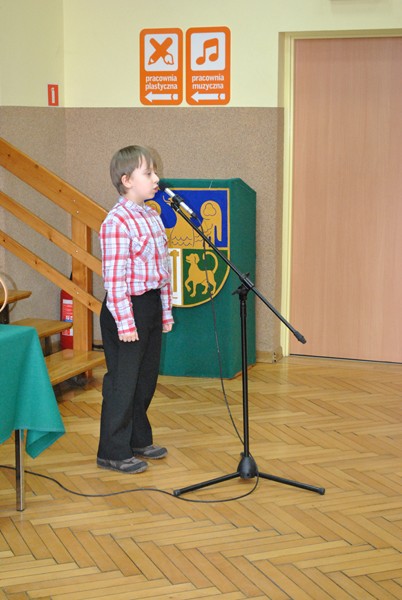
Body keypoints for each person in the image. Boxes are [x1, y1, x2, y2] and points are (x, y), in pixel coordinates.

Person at [97, 145, 174, 473]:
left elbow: (163, 270)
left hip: (150, 305)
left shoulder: (152, 217)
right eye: (149, 173)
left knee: (145, 379)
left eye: (155, 172)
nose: (156, 178)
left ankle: (138, 438)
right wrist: (126, 323)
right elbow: (115, 280)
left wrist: (165, 311)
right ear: (127, 180)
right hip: (125, 309)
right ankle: (112, 450)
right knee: (123, 382)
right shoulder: (116, 222)